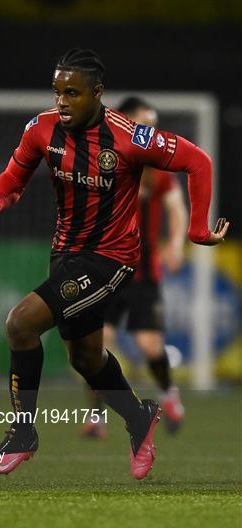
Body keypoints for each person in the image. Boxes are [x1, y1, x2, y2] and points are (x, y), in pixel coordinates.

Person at [0, 48, 229, 481]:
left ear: (98, 93)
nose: (62, 101)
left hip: (112, 258)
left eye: (72, 92)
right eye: (57, 92)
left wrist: (197, 229)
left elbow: (198, 161)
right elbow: (15, 174)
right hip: (65, 252)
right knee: (86, 357)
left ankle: (22, 434)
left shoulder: (131, 137)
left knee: (20, 324)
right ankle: (139, 417)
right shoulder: (41, 129)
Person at [81, 97, 188, 439]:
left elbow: (176, 208)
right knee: (97, 344)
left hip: (143, 275)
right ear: (124, 123)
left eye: (154, 124)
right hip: (106, 271)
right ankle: (97, 418)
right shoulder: (102, 163)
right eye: (145, 123)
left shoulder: (158, 171)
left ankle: (170, 397)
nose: (152, 131)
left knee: (150, 347)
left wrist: (174, 243)